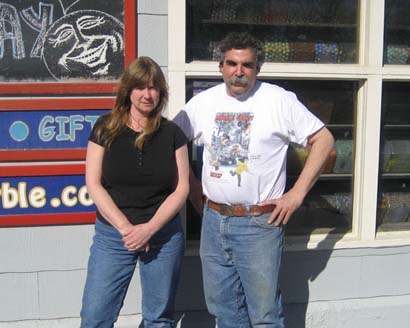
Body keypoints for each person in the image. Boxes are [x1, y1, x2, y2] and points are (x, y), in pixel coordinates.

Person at [174, 32, 335, 328]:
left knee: (264, 315)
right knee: (223, 309)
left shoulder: (279, 100)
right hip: (213, 218)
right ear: (221, 66)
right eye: (231, 63)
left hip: (259, 223)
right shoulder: (202, 103)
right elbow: (172, 142)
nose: (239, 71)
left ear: (257, 68)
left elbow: (323, 140)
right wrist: (191, 183)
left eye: (247, 65)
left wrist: (297, 194)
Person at [80, 56, 190, 328]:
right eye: (141, 87)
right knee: (96, 316)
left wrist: (149, 229)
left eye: (154, 88)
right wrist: (128, 230)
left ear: (161, 93)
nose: (147, 94)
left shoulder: (172, 133)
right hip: (114, 236)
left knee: (158, 318)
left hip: (163, 235)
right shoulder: (105, 128)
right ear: (128, 90)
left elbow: (181, 188)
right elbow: (93, 183)